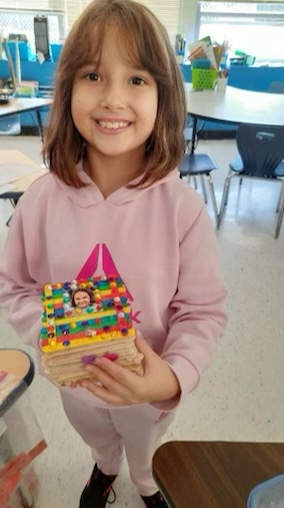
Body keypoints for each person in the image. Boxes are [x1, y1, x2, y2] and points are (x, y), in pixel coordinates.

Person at [0, 0, 227, 507]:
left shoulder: (181, 210)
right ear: (67, 90)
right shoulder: (40, 200)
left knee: (145, 448)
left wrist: (172, 376)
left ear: (163, 96)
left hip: (148, 386)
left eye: (137, 80)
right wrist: (53, 336)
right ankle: (104, 469)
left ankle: (145, 482)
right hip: (75, 385)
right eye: (93, 75)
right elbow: (13, 284)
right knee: (97, 436)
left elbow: (202, 310)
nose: (113, 99)